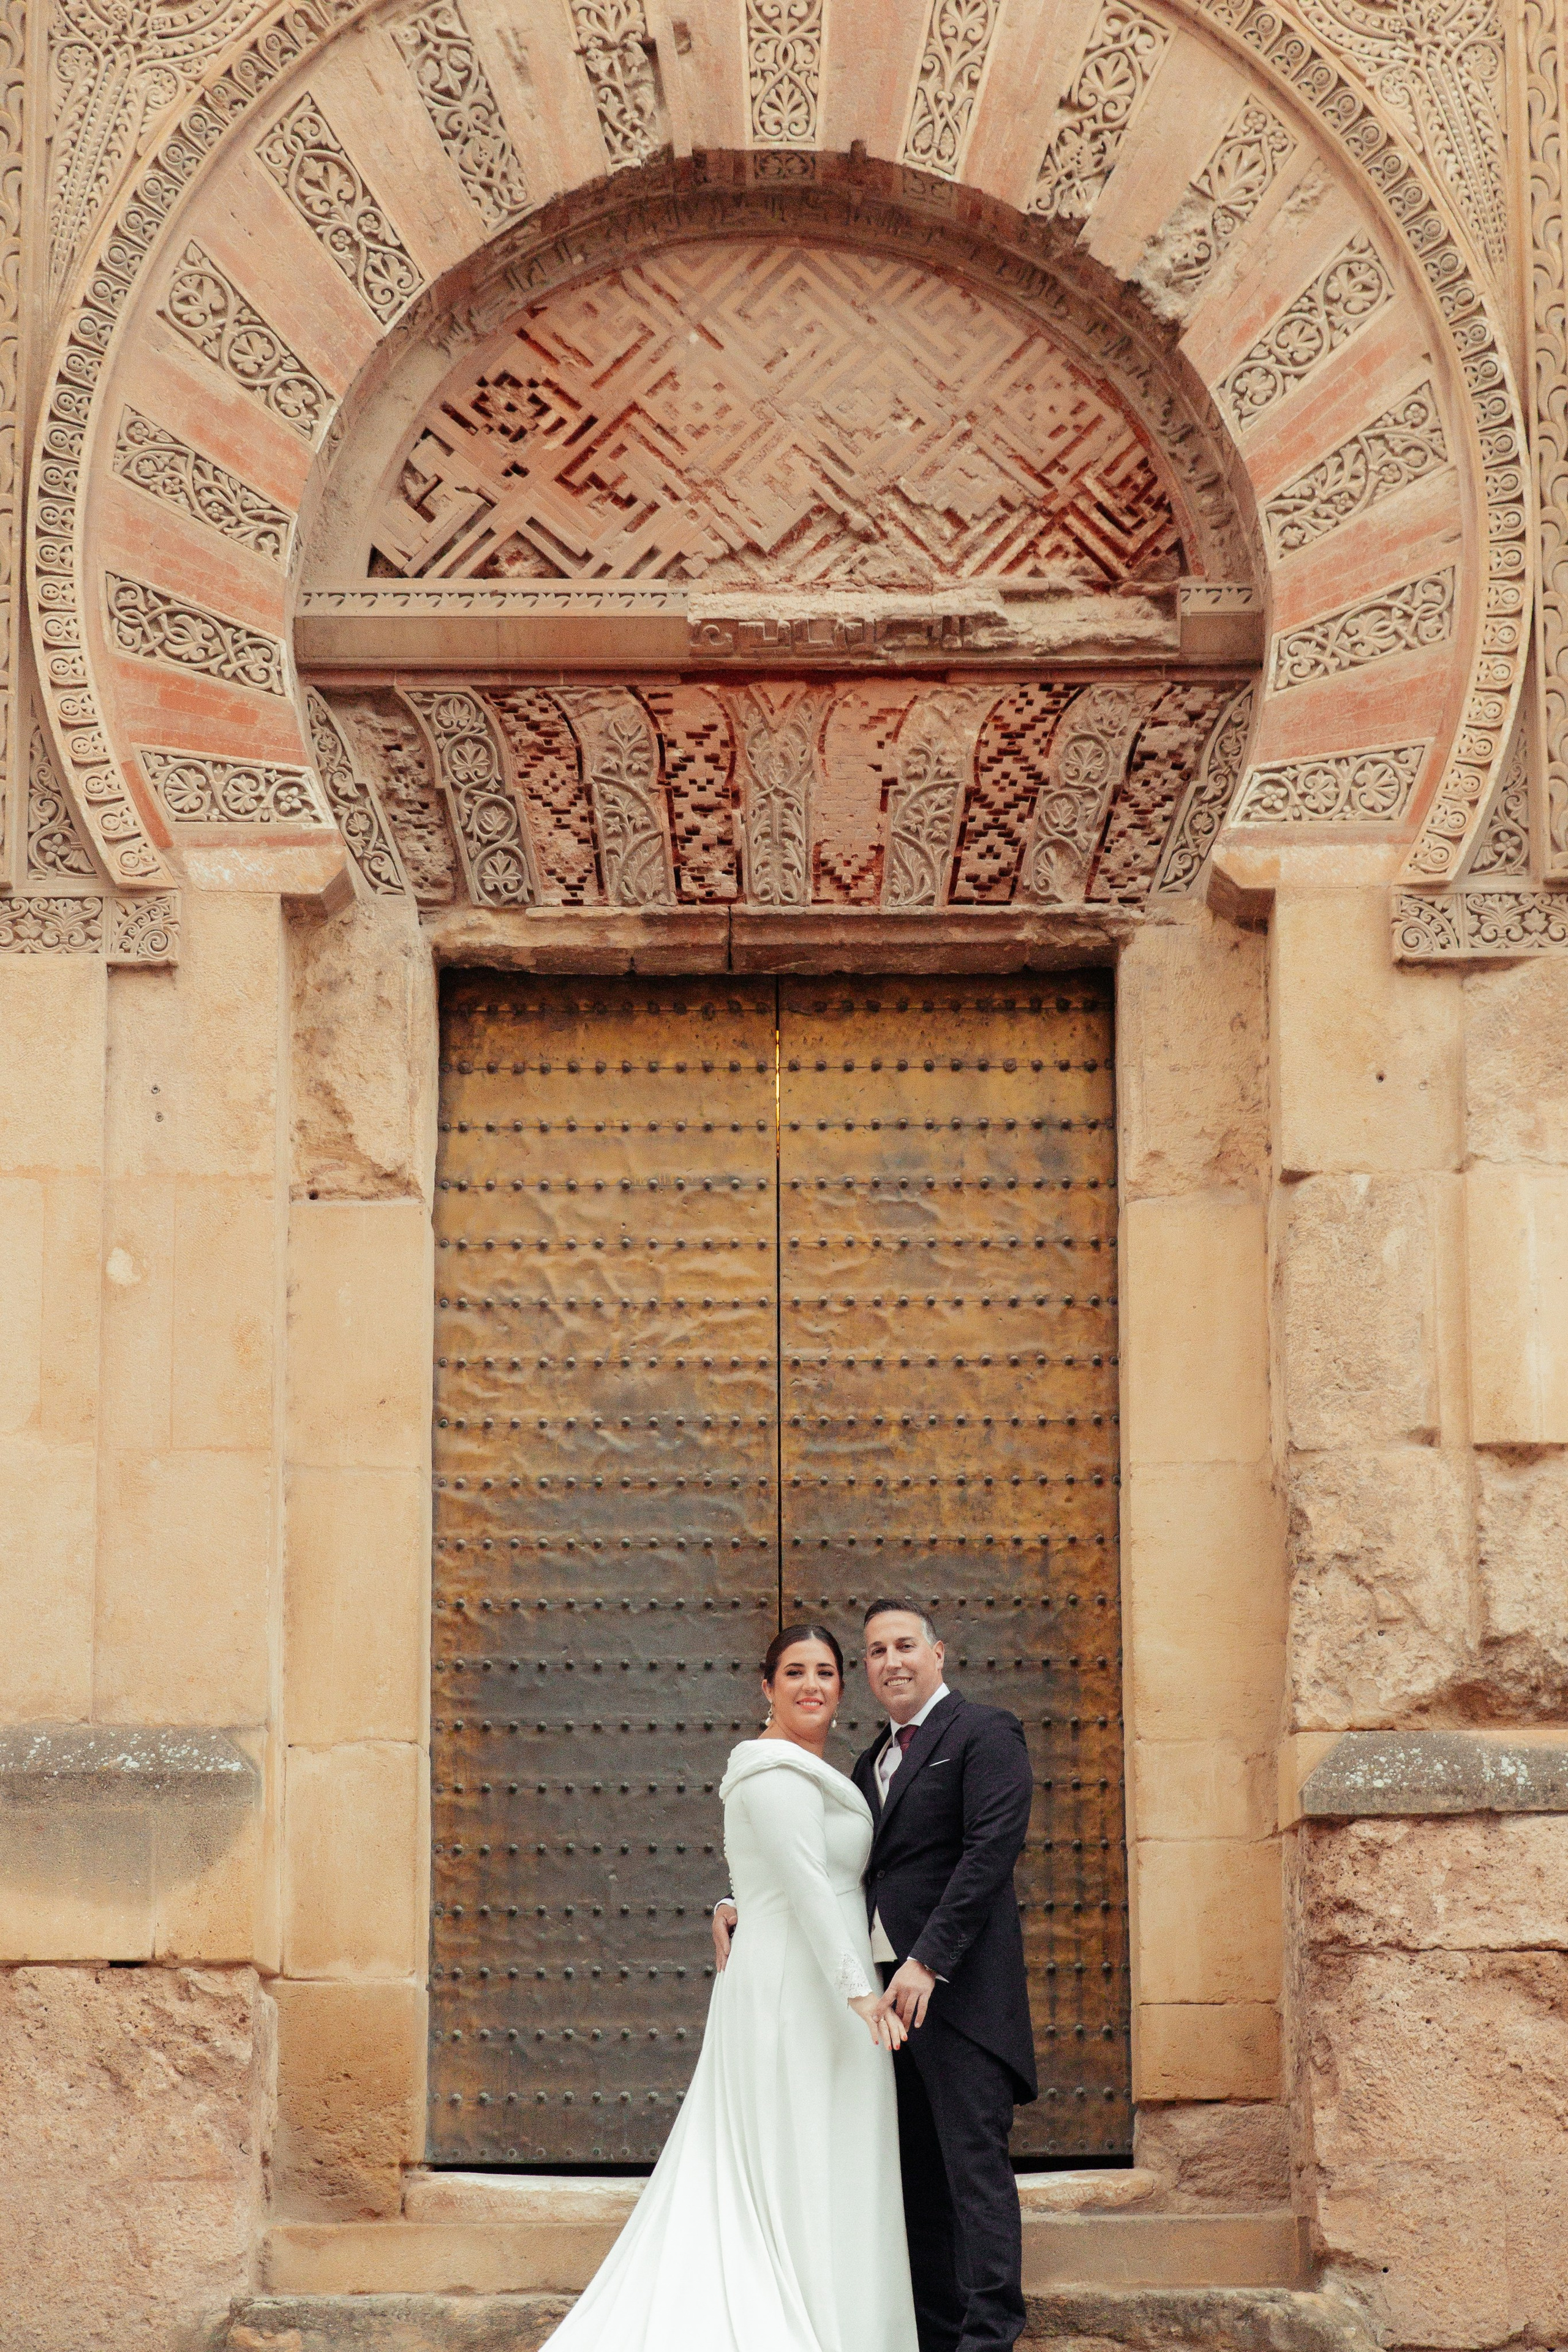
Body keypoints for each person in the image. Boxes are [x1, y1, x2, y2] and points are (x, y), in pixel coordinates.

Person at [543, 1624, 919, 2352]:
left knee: (828, 2155)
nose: (812, 1684)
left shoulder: (808, 1770)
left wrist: (735, 1900)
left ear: (841, 1687)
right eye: (795, 1672)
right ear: (767, 1687)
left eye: (825, 1671)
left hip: (821, 1988)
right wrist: (860, 1994)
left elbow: (790, 1870)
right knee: (795, 2155)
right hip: (801, 1994)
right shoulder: (772, 1769)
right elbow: (808, 1887)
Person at [715, 1601, 1036, 2352]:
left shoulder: (986, 1733)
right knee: (915, 2180)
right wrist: (739, 1901)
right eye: (874, 1652)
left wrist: (928, 1961)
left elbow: (988, 1853)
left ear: (938, 1653)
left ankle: (990, 2338)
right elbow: (828, 1867)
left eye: (904, 1646)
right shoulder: (868, 1762)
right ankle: (932, 2334)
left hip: (956, 1994)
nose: (890, 1661)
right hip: (885, 2004)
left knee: (973, 2172)